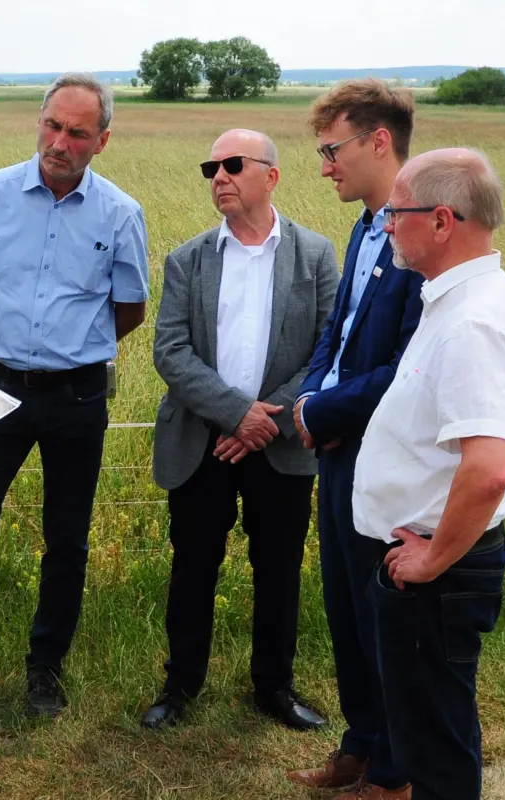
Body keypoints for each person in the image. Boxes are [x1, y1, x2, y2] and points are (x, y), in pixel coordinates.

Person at [344, 149, 505, 800]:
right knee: (426, 730)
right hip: (426, 563)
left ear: (442, 221)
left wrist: (430, 561)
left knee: (439, 736)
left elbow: (488, 468)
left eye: (396, 212)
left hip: (439, 574)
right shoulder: (455, 301)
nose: (387, 225)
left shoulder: (473, 323)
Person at [0, 73, 150, 719]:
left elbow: (129, 309)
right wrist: (16, 346)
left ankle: (45, 673)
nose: (59, 142)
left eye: (77, 132)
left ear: (101, 141)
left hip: (78, 396)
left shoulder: (121, 214)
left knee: (67, 542)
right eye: (52, 125)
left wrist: (66, 350)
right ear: (40, 121)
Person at [143, 129, 337, 732]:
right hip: (202, 438)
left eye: (232, 164)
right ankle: (180, 684)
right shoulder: (188, 258)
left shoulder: (315, 254)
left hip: (279, 441)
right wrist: (235, 414)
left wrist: (263, 420)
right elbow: (170, 351)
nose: (219, 177)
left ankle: (274, 687)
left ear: (271, 176)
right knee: (193, 564)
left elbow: (328, 351)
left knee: (278, 566)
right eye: (211, 168)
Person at [284, 78, 426, 800]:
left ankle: (397, 771)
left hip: (381, 451)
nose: (324, 166)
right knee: (343, 601)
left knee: (380, 614)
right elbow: (336, 339)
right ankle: (362, 742)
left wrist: (326, 408)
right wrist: (311, 400)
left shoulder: (419, 234)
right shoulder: (366, 227)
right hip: (337, 442)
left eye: (332, 150)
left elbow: (407, 364)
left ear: (378, 141)